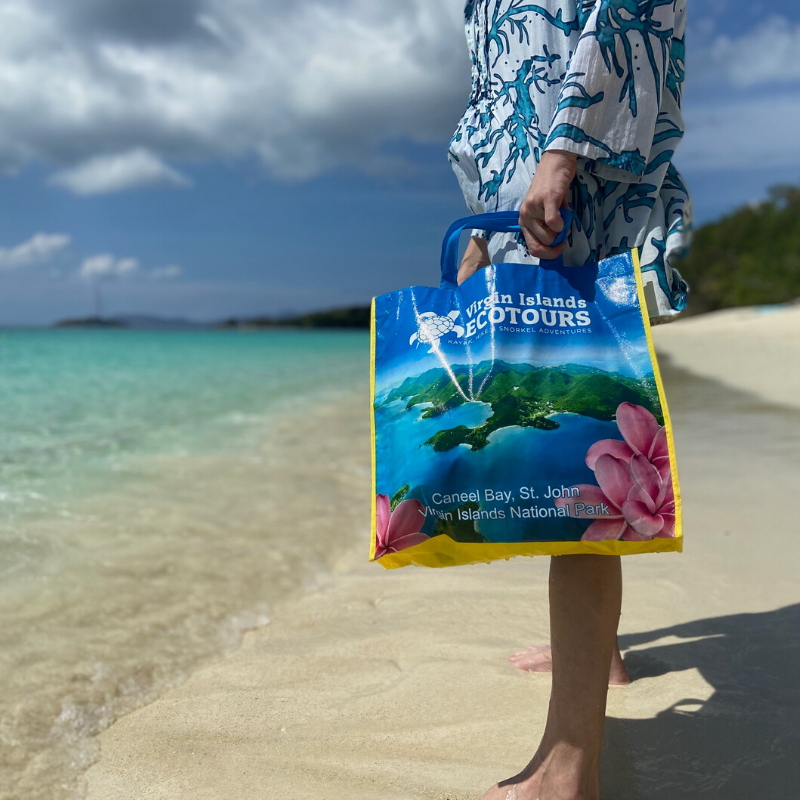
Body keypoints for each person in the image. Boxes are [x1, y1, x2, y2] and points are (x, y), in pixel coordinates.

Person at [447, 1, 691, 798]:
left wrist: (560, 155)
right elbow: (495, 68)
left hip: (577, 168)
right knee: (567, 443)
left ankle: (567, 769)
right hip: (525, 187)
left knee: (582, 455)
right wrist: (482, 218)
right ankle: (598, 650)